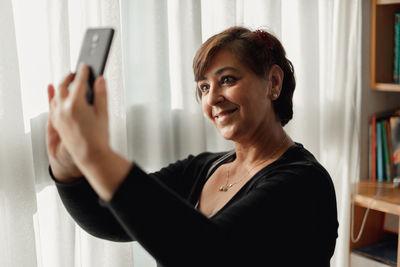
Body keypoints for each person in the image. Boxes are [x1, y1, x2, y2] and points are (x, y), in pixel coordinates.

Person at [46, 26, 338, 267]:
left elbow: (205, 254)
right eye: (204, 87)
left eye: (227, 79)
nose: (211, 99)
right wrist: (66, 167)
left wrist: (97, 155)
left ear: (273, 82)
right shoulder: (202, 167)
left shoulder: (305, 183)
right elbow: (108, 217)